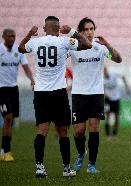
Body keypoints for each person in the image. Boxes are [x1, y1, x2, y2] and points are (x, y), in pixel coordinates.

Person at [18, 16, 92, 178]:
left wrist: (30, 33)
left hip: (41, 92)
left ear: (45, 28)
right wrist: (72, 31)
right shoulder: (64, 42)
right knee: (63, 132)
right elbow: (88, 44)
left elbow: (20, 48)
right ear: (59, 29)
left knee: (41, 131)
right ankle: (66, 169)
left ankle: (39, 167)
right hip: (59, 93)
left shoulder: (36, 42)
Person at [60, 17, 122, 174]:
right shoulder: (73, 49)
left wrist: (107, 44)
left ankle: (92, 164)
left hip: (96, 94)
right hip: (79, 94)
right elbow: (60, 56)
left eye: (92, 29)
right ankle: (81, 153)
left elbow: (118, 59)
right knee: (79, 131)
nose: (89, 32)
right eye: (86, 29)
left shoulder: (100, 49)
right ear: (80, 32)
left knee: (94, 128)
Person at [0, 28, 34, 162]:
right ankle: (5, 150)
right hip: (1, 89)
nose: (12, 38)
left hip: (13, 88)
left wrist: (32, 79)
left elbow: (25, 66)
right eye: (9, 36)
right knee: (8, 117)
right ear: (3, 36)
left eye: (13, 36)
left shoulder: (18, 50)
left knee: (11, 119)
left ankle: (5, 150)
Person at [104, 66, 130, 140]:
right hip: (108, 100)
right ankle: (108, 135)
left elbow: (123, 76)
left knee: (117, 117)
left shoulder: (113, 73)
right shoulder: (101, 79)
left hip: (116, 98)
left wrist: (127, 88)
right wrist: (105, 95)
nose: (104, 72)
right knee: (107, 117)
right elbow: (101, 89)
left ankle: (114, 134)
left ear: (106, 70)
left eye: (105, 70)